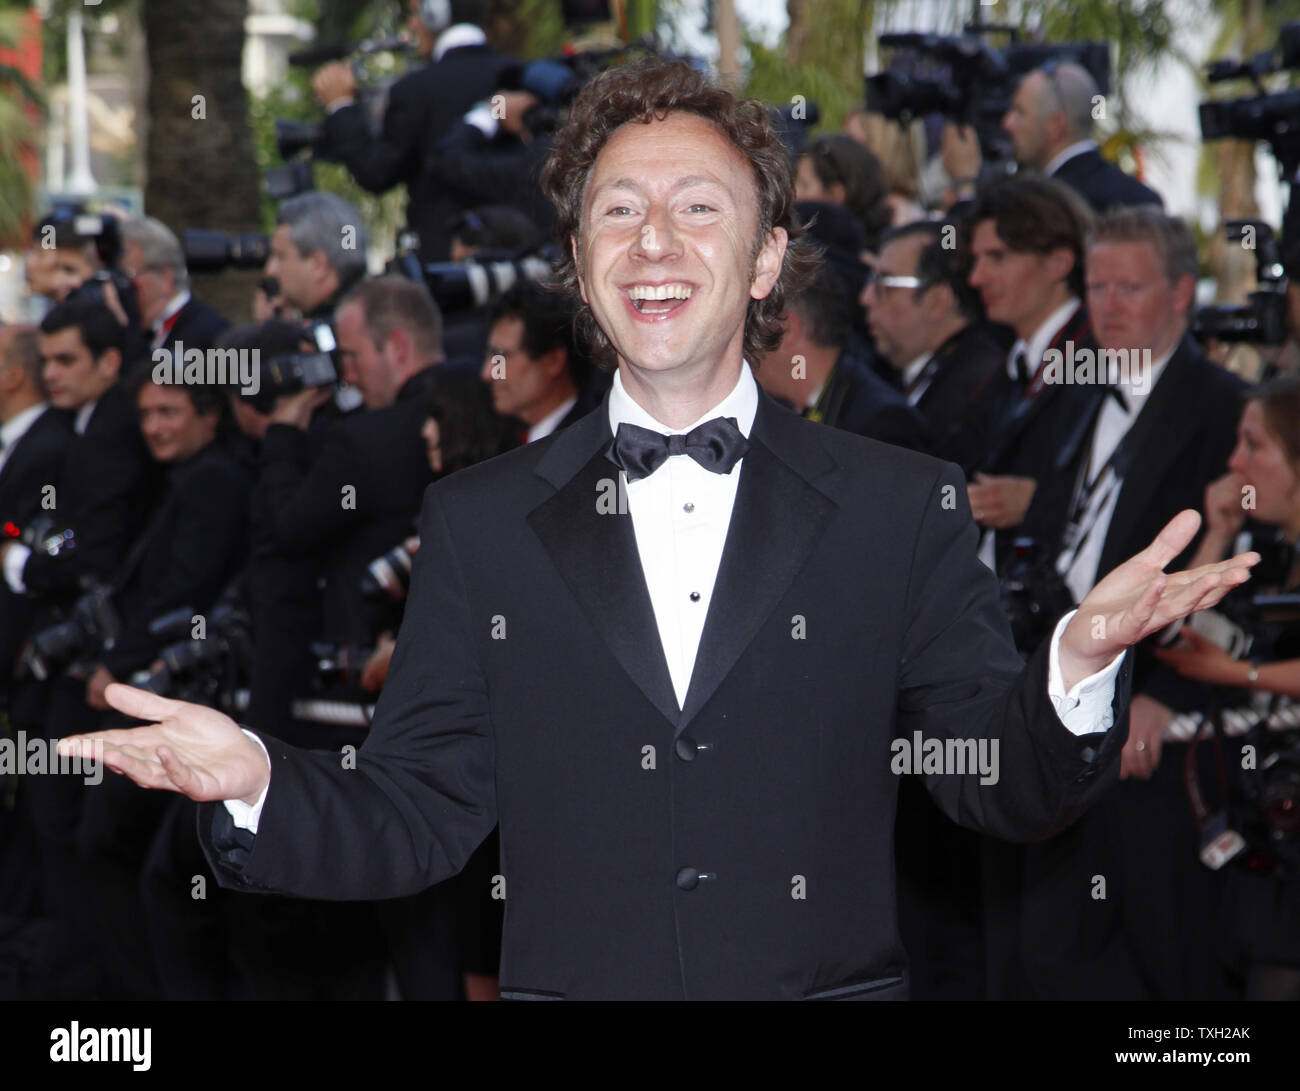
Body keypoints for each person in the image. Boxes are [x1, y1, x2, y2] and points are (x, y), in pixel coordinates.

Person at [66, 58, 1257, 1002]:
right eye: (618, 214)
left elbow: (994, 782)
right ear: (581, 268)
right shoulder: (478, 522)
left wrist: (1078, 665)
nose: (654, 243)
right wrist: (261, 779)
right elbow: (418, 812)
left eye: (698, 208)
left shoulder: (902, 503)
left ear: (766, 257)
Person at [1152, 376, 1300, 1001]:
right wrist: (1213, 535)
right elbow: (1176, 640)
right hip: (1268, 831)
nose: (1234, 462)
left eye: (1254, 445)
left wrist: (1239, 676)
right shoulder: (1271, 553)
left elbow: (1211, 664)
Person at [311, 0, 512, 263]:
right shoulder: (518, 75)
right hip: (518, 255)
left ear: (435, 14)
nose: (411, 24)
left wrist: (340, 106)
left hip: (444, 265)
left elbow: (376, 172)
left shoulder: (415, 91)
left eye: (416, 14)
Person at [861, 221, 1009, 474]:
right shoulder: (919, 373)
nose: (866, 298)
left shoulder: (977, 390)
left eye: (885, 284)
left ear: (936, 301)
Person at [944, 61, 1162, 214]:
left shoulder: (1039, 207)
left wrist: (964, 186)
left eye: (1020, 112)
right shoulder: (1141, 197)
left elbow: (956, 256)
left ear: (1055, 126)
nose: (1006, 123)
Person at [119, 217, 229, 356]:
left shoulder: (213, 335)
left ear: (166, 279)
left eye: (129, 276)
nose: (122, 287)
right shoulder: (142, 331)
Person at [264, 192, 368, 323]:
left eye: (281, 257)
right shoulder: (368, 318)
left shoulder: (352, 334)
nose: (270, 270)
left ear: (318, 265)